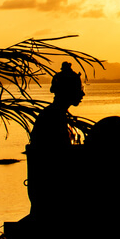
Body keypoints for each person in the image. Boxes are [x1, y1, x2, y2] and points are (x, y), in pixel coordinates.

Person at [27, 61, 84, 220]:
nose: (82, 94)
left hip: (46, 190)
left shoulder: (54, 114)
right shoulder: (54, 117)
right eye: (79, 89)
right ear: (68, 91)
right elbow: (61, 155)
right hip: (52, 193)